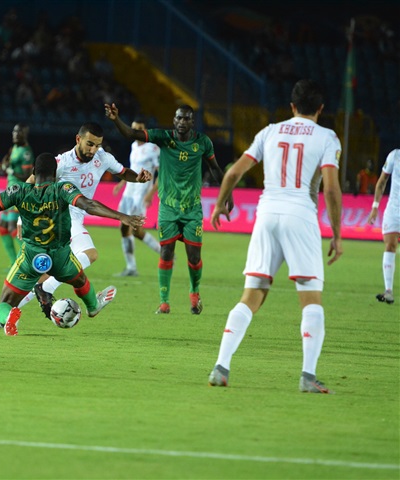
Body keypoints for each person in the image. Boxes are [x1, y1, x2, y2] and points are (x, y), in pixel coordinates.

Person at [207, 79, 343, 393]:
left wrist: (219, 205)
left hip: (266, 214)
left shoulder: (269, 131)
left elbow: (233, 172)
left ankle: (221, 366)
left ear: (292, 106)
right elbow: (332, 188)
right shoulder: (327, 137)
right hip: (300, 215)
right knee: (311, 298)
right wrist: (337, 235)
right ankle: (308, 376)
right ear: (320, 109)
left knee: (251, 295)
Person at [0, 152, 146, 336]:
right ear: (55, 175)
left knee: (5, 302)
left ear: (34, 172)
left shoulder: (19, 190)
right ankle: (93, 306)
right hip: (60, 257)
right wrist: (122, 216)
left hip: (30, 257)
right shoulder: (62, 189)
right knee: (80, 280)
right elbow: (89, 205)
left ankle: (7, 317)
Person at [11, 122, 153, 321]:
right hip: (62, 217)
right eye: (90, 144)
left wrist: (138, 178)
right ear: (78, 139)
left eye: (97, 145)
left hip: (74, 219)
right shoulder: (62, 162)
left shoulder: (103, 158)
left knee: (44, 272)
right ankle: (48, 289)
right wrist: (21, 218)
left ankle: (3, 313)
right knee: (89, 254)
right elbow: (30, 184)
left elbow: (123, 172)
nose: (93, 150)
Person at [104, 103, 233, 314]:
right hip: (168, 209)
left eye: (186, 118)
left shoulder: (203, 142)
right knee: (165, 253)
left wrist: (228, 193)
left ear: (192, 121)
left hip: (192, 209)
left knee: (194, 257)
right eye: (178, 118)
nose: (182, 122)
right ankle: (164, 302)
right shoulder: (163, 138)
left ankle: (194, 294)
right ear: (174, 120)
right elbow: (131, 134)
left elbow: (215, 168)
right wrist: (116, 119)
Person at [112, 116, 162, 277]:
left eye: (139, 129)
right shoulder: (134, 145)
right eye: (133, 128)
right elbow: (133, 168)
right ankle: (132, 267)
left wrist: (150, 194)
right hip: (129, 191)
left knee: (134, 229)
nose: (135, 131)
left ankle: (165, 254)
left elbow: (161, 173)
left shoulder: (153, 148)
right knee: (125, 227)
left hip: (141, 192)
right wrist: (121, 183)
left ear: (145, 130)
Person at [0, 123, 34, 267]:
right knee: (2, 228)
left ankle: (32, 259)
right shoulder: (14, 149)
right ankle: (14, 263)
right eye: (14, 132)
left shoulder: (26, 152)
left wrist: (9, 170)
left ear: (24, 134)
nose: (15, 134)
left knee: (13, 228)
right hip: (9, 191)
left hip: (18, 193)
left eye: (18, 132)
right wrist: (3, 166)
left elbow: (27, 176)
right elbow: (7, 165)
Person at [367, 148, 399, 305]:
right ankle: (388, 291)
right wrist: (375, 207)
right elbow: (382, 181)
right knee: (390, 245)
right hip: (394, 210)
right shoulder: (395, 155)